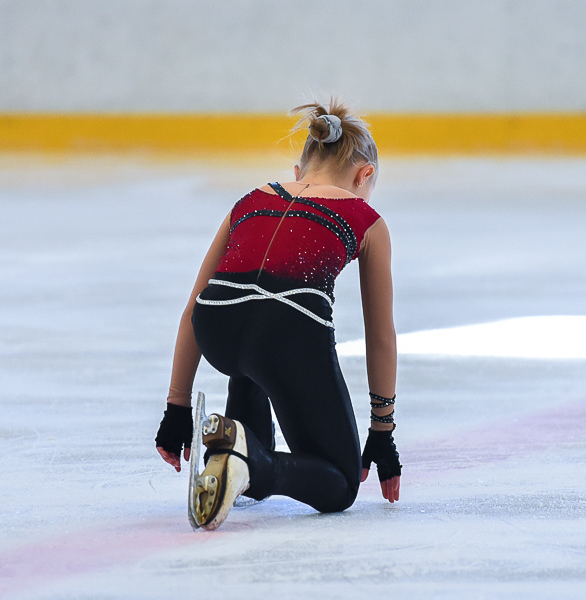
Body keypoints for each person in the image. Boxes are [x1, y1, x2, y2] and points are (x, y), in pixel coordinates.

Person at [155, 99, 401, 530]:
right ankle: (254, 462)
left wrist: (176, 406)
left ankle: (235, 457)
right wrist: (383, 430)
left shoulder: (251, 200)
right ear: (365, 176)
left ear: (298, 170)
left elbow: (195, 303)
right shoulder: (366, 218)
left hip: (217, 326)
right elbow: (380, 336)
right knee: (341, 483)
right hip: (285, 335)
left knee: (251, 341)